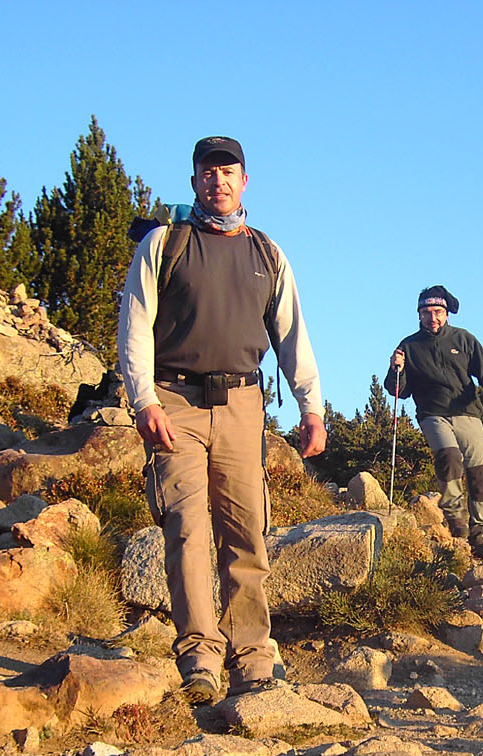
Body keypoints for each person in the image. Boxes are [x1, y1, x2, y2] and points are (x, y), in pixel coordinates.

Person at [117, 135, 326, 704]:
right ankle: (200, 658)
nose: (219, 181)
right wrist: (143, 401)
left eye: (228, 171)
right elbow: (135, 326)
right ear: (194, 182)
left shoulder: (267, 254)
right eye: (208, 173)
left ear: (244, 181)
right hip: (174, 403)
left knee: (245, 532)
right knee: (186, 530)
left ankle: (253, 656)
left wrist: (312, 407)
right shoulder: (164, 244)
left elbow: (292, 336)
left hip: (242, 405)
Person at [384, 285, 483, 559]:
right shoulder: (408, 346)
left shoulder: (463, 339)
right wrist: (396, 368)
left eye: (438, 312)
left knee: (479, 472)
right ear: (419, 315)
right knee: (449, 456)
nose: (432, 318)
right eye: (426, 312)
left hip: (467, 411)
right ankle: (456, 520)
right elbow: (399, 390)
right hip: (432, 413)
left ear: (446, 314)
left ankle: (481, 533)